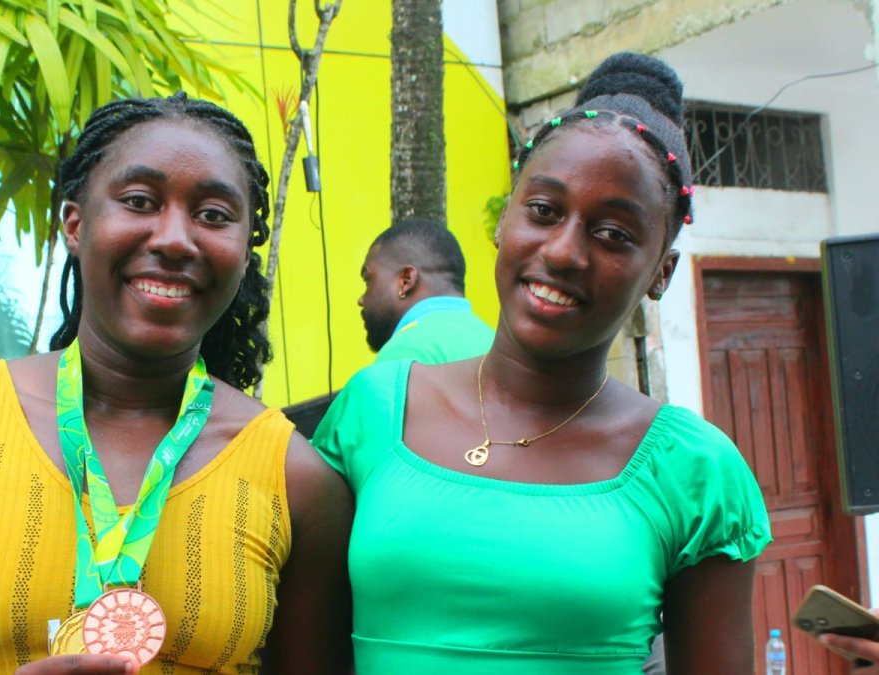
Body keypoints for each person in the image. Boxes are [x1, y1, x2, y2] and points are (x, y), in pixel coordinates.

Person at [0, 93, 353, 675]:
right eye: (139, 201)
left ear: (242, 252)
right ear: (75, 225)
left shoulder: (297, 480)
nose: (174, 239)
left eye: (213, 215)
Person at [313, 52, 771, 674]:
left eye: (613, 234)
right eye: (544, 211)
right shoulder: (373, 410)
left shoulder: (693, 471)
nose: (562, 252)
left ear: (661, 271)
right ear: (505, 218)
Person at [358, 218, 494, 363]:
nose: (361, 300)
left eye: (368, 281)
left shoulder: (405, 351)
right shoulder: (493, 342)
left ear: (406, 280)